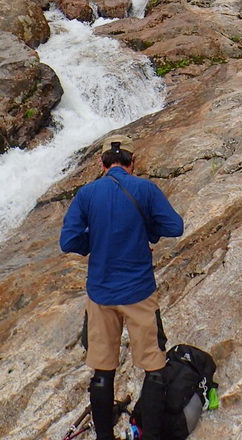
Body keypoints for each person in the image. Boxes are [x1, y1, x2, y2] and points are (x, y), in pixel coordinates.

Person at [60, 134, 184, 440]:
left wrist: (96, 240)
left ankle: (104, 437)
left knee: (102, 371)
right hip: (139, 292)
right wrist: (147, 232)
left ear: (101, 164)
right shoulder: (145, 189)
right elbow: (175, 226)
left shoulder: (87, 194)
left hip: (101, 294)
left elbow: (69, 241)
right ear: (133, 162)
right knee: (153, 367)